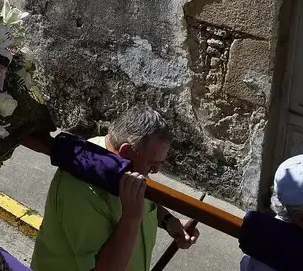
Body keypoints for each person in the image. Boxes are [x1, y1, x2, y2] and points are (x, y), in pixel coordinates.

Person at [31, 107, 198, 271]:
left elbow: (143, 201)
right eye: (152, 166)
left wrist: (168, 221)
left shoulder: (131, 172)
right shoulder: (80, 188)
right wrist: (131, 218)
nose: (152, 174)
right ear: (125, 151)